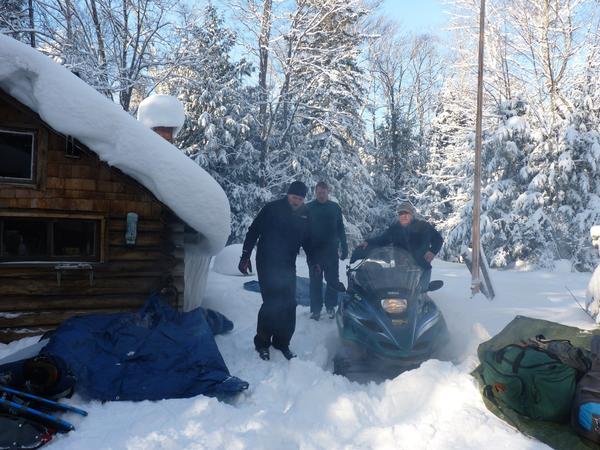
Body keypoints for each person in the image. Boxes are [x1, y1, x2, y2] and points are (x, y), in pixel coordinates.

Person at [239, 181, 310, 361]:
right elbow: (253, 231)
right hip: (267, 261)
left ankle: (281, 343)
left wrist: (316, 260)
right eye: (294, 197)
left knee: (289, 304)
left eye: (300, 199)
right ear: (288, 195)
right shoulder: (272, 208)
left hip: (287, 264)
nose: (296, 202)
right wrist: (245, 255)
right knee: (272, 303)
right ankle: (262, 343)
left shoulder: (305, 214)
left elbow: (308, 240)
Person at [359, 201, 443, 292]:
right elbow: (382, 240)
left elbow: (438, 239)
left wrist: (432, 251)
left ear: (411, 214)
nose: (404, 215)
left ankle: (424, 291)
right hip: (400, 267)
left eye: (406, 213)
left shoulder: (423, 226)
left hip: (421, 266)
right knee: (398, 295)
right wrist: (368, 242)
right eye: (401, 213)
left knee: (421, 294)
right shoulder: (395, 229)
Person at [306, 182, 348, 320]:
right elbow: (302, 229)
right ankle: (316, 310)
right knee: (315, 281)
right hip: (314, 253)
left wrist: (344, 245)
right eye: (319, 192)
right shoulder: (309, 207)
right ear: (315, 192)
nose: (321, 195)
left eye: (323, 192)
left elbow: (340, 227)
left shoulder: (335, 207)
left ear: (328, 192)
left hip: (331, 252)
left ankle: (330, 307)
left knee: (332, 280)